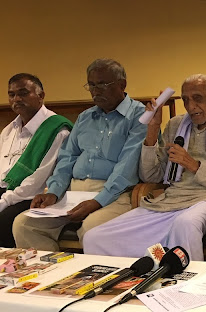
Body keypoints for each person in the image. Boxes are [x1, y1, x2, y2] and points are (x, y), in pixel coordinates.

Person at [83, 74, 206, 261]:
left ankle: (186, 283)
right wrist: (153, 129)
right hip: (170, 200)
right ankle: (131, 282)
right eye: (186, 100)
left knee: (186, 224)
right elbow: (152, 175)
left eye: (197, 98)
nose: (190, 107)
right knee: (95, 237)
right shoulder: (176, 125)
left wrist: (194, 165)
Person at [13, 59, 147, 251]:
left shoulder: (139, 116)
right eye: (91, 85)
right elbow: (67, 158)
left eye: (102, 84)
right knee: (24, 225)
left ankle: (96, 280)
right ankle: (56, 276)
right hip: (72, 193)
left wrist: (96, 201)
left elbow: (127, 167)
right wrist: (53, 192)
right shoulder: (85, 117)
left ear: (122, 84)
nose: (95, 91)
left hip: (115, 194)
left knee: (93, 231)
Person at [0, 73, 72, 247]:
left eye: (23, 93)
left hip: (33, 197)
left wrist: (4, 201)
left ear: (41, 96)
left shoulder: (57, 130)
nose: (16, 99)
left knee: (4, 220)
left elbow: (36, 183)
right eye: (12, 94)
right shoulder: (10, 130)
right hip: (5, 192)